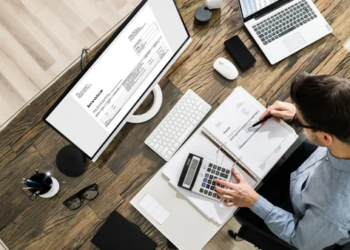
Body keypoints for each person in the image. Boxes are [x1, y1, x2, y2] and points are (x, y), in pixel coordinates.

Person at [214, 73, 350, 250]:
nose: (298, 119)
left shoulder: (332, 213)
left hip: (300, 217)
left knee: (240, 206)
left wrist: (253, 201)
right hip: (312, 169)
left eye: (303, 122)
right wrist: (299, 115)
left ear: (326, 137)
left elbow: (299, 239)